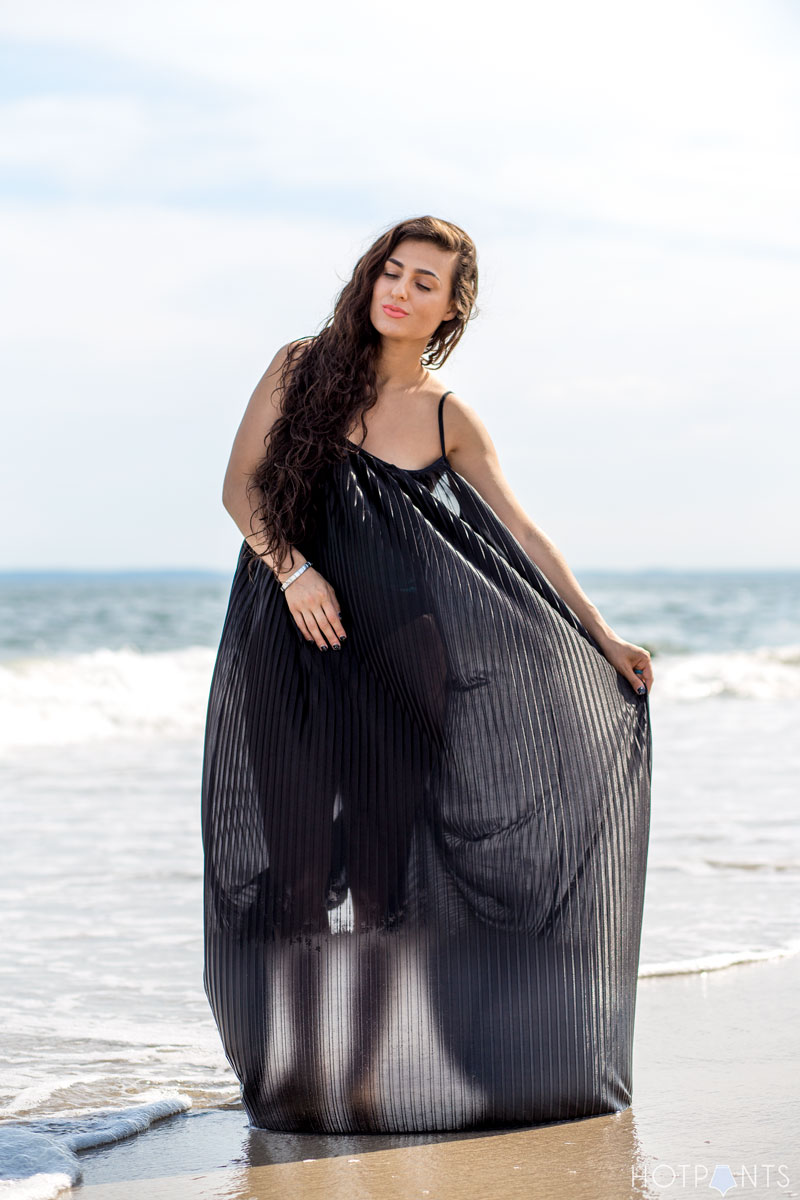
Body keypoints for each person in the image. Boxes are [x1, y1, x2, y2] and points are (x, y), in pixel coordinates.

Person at [201, 215, 653, 1135]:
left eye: (423, 283)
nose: (398, 291)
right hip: (286, 645)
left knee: (379, 882)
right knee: (291, 877)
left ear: (451, 308)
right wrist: (292, 569)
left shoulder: (449, 416)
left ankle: (359, 1079)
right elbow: (240, 485)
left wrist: (603, 638)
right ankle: (297, 1068)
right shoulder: (301, 366)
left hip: (403, 662)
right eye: (390, 272)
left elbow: (524, 534)